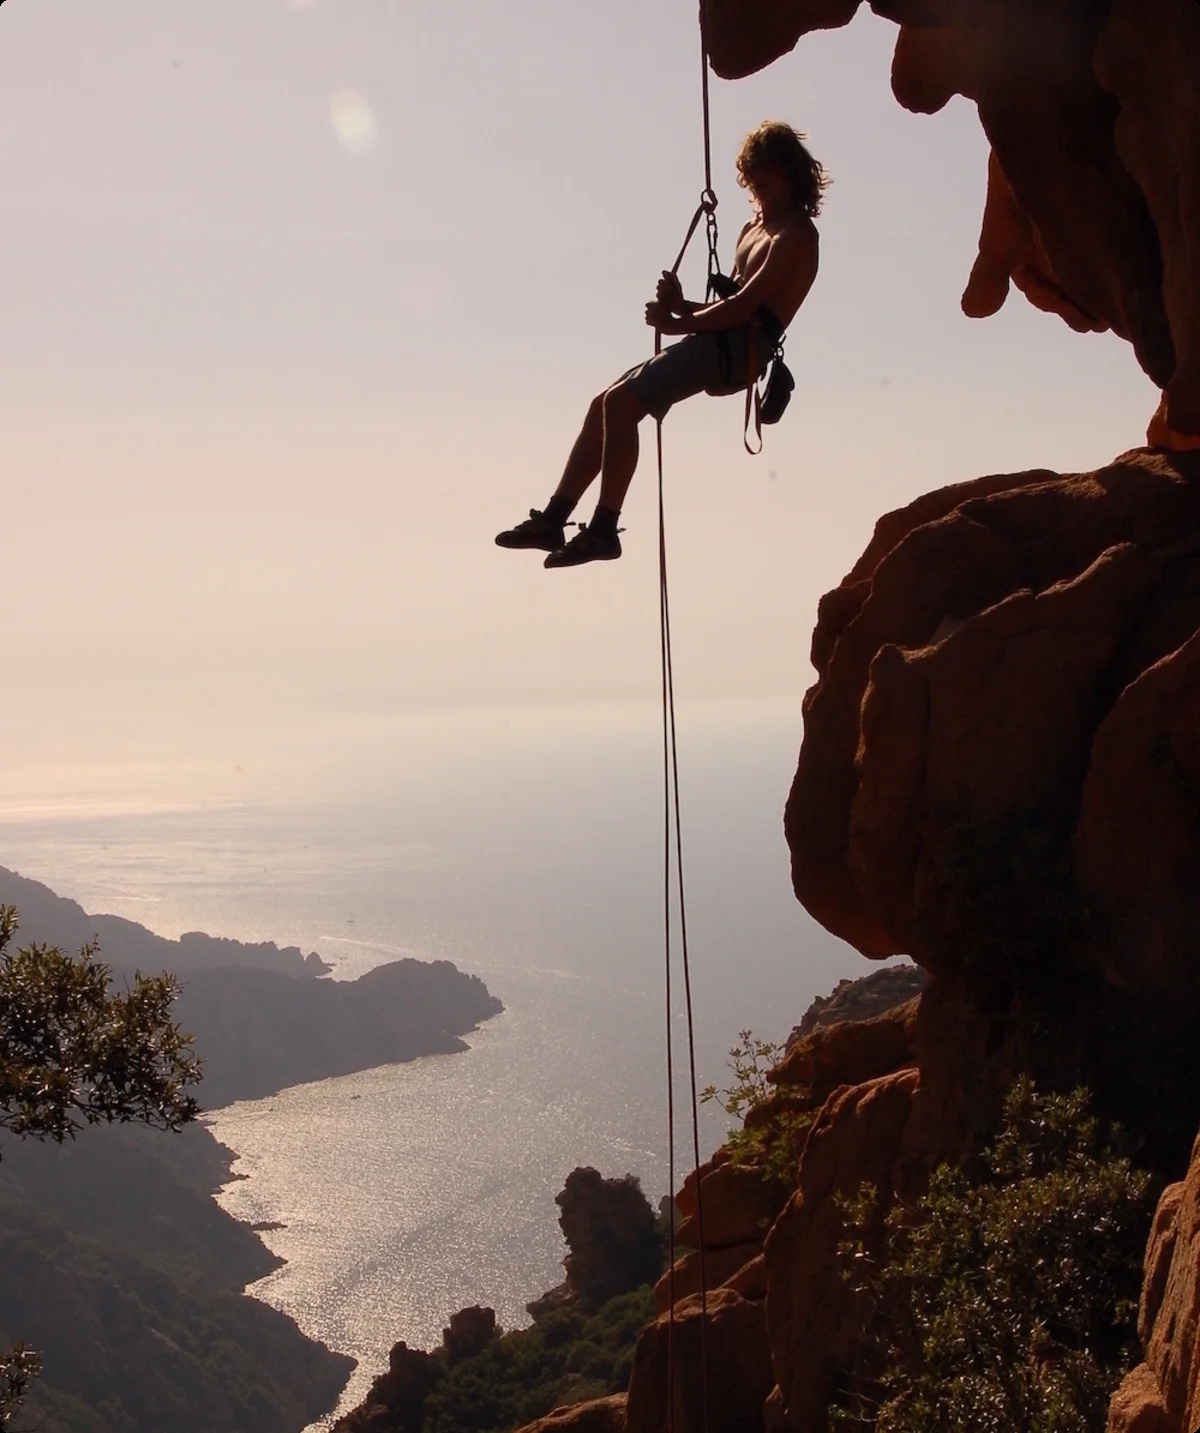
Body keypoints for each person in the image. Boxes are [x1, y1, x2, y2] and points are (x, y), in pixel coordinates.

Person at [495, 121, 826, 569]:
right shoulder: (755, 226)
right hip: (720, 338)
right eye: (752, 180)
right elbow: (726, 304)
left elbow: (746, 307)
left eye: (765, 179)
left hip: (740, 349)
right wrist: (680, 306)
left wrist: (676, 323)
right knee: (604, 404)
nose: (758, 187)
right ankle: (554, 519)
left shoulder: (796, 236)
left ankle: (604, 530)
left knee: (622, 404)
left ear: (789, 173)